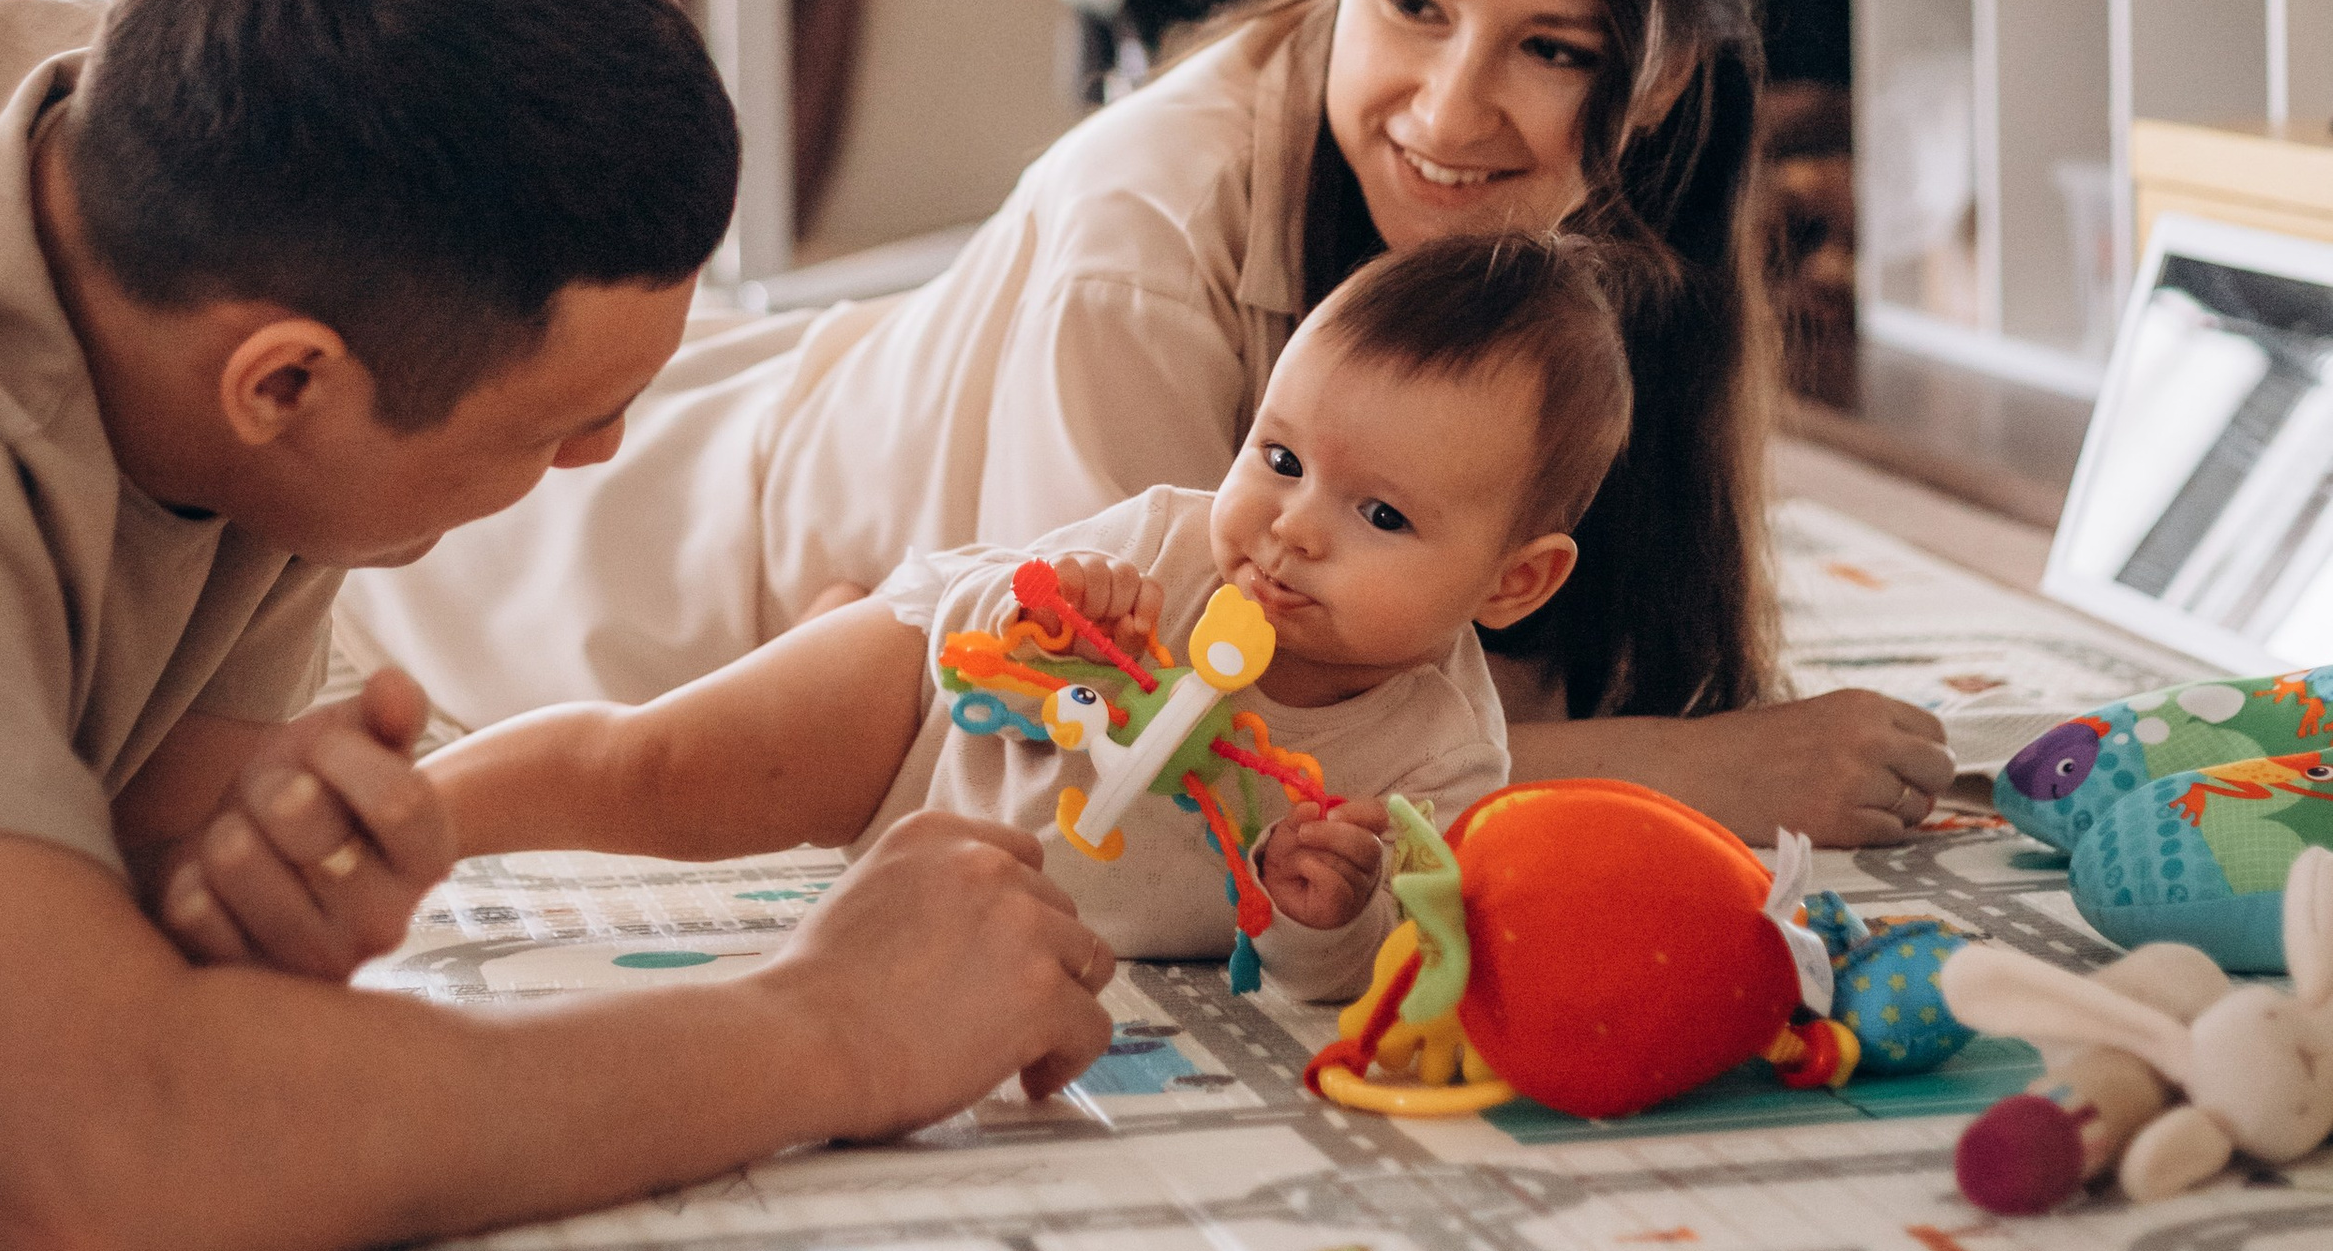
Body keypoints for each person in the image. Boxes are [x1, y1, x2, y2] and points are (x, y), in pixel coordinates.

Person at [0, 0, 1113, 1251]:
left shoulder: (209, 180)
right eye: (558, 426)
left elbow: (142, 877)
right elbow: (93, 1168)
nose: (603, 457)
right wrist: (831, 1028)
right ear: (283, 388)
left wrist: (221, 900)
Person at [342, 0, 1954, 851]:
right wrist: (1699, 774)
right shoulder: (1145, 246)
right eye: (1407, 6)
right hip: (584, 565)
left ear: (1671, 77)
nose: (1453, 113)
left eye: (1556, 51)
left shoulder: (1626, 247)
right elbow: (1144, 779)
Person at [401, 235, 1629, 1011]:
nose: (1291, 528)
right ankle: (409, 813)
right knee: (653, 767)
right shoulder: (1163, 541)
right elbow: (981, 638)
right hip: (919, 730)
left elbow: (1356, 980)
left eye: (1378, 514)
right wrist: (1047, 621)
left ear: (1513, 582)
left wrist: (1326, 912)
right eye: (1278, 454)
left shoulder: (1445, 763)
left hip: (1011, 895)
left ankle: (818, 614)